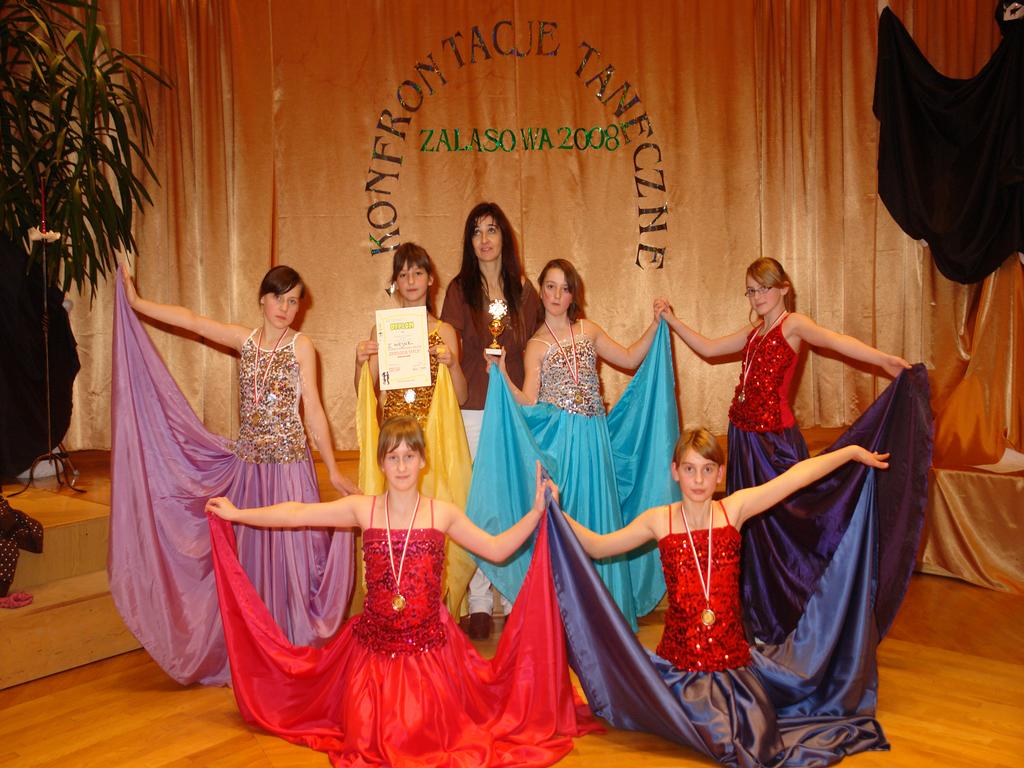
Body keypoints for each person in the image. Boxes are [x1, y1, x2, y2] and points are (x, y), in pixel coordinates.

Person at [204, 416, 598, 767]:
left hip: (431, 655)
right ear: (381, 463)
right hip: (372, 655)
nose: (402, 466)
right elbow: (298, 513)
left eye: (410, 456)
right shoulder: (363, 509)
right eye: (393, 457)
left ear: (423, 460)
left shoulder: (442, 513)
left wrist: (535, 514)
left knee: (428, 735)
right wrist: (239, 514)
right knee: (371, 733)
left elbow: (495, 549)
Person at [554, 428, 899, 766]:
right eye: (689, 469)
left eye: (707, 470)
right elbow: (598, 546)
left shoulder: (733, 510)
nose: (698, 480)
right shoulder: (659, 521)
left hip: (730, 670)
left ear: (720, 473)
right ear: (675, 471)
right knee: (699, 727)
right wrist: (556, 511)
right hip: (678, 669)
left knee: (736, 739)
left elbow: (797, 477)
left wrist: (850, 453)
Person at [110, 263, 357, 686]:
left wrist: (332, 469)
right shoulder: (245, 340)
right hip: (249, 472)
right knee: (253, 561)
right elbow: (192, 320)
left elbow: (314, 409)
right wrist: (137, 302)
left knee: (293, 560)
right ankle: (258, 648)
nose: (285, 307)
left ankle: (293, 648)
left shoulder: (302, 346)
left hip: (288, 469)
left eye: (293, 301)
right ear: (262, 298)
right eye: (278, 297)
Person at [660, 257, 919, 643]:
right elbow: (710, 349)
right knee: (749, 530)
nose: (757, 296)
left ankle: (799, 611)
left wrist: (884, 361)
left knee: (784, 525)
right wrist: (672, 320)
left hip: (773, 445)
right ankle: (757, 613)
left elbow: (836, 341)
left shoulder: (792, 324)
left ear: (783, 288)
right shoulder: (754, 333)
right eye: (751, 290)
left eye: (764, 287)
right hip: (744, 442)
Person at [467, 259, 681, 631]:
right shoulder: (535, 346)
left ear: (572, 295)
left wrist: (657, 323)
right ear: (541, 292)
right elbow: (529, 400)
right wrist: (501, 375)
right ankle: (567, 616)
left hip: (595, 441)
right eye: (550, 287)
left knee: (601, 518)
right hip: (563, 445)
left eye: (564, 288)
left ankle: (607, 615)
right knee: (572, 517)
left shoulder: (588, 330)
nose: (556, 295)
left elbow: (630, 357)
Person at [352, 242, 474, 614]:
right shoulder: (382, 329)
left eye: (417, 272)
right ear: (395, 282)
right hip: (395, 444)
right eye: (403, 274)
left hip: (432, 445)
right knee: (395, 526)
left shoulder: (445, 331)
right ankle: (394, 606)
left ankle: (432, 609)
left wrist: (452, 364)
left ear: (430, 279)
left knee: (431, 528)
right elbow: (365, 390)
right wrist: (359, 362)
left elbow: (462, 396)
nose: (410, 280)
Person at [441, 202, 542, 639]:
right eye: (476, 231)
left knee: (515, 498)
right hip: (474, 407)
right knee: (480, 501)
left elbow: (538, 345)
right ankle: (481, 600)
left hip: (515, 407)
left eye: (492, 230)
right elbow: (447, 344)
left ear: (505, 237)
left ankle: (518, 594)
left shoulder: (525, 290)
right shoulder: (459, 289)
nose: (484, 239)